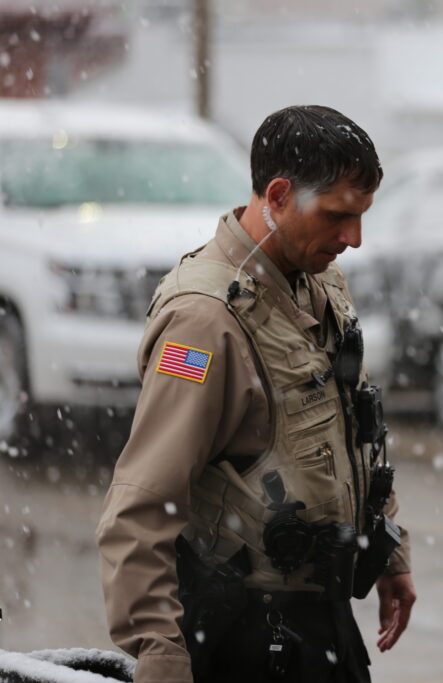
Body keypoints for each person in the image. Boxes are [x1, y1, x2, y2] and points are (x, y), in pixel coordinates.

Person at [96, 105, 416, 683]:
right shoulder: (203, 321)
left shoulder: (320, 283)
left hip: (322, 627)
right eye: (340, 216)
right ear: (278, 195)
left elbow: (358, 429)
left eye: (363, 216)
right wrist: (161, 655)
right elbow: (140, 505)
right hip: (244, 637)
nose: (355, 239)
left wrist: (388, 551)